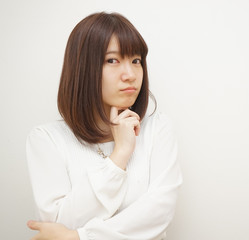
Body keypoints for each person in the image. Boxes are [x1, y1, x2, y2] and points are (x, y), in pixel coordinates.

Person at [26, 12, 182, 240]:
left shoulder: (157, 129)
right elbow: (59, 224)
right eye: (112, 60)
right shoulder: (47, 139)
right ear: (82, 67)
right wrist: (119, 156)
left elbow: (157, 214)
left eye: (136, 61)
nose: (130, 75)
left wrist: (78, 237)